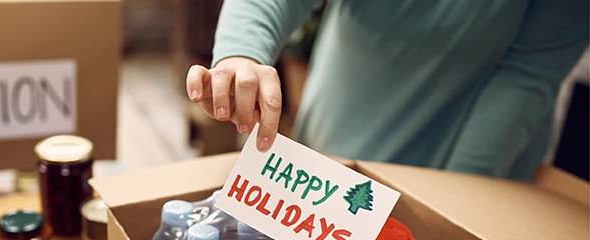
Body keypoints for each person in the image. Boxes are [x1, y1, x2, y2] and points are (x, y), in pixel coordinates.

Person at [186, 0, 588, 180]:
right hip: (337, 145)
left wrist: (451, 212)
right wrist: (241, 53)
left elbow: (525, 75)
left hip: (476, 164)